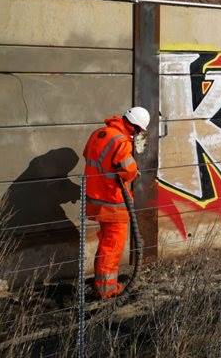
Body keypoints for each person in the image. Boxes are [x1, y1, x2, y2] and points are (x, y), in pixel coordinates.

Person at [83, 106, 149, 299]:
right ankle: (107, 289)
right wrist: (134, 170)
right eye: (138, 130)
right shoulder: (121, 141)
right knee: (112, 246)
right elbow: (127, 169)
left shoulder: (99, 134)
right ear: (134, 126)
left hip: (96, 199)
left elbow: (89, 156)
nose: (137, 134)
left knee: (105, 243)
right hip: (113, 201)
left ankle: (100, 283)